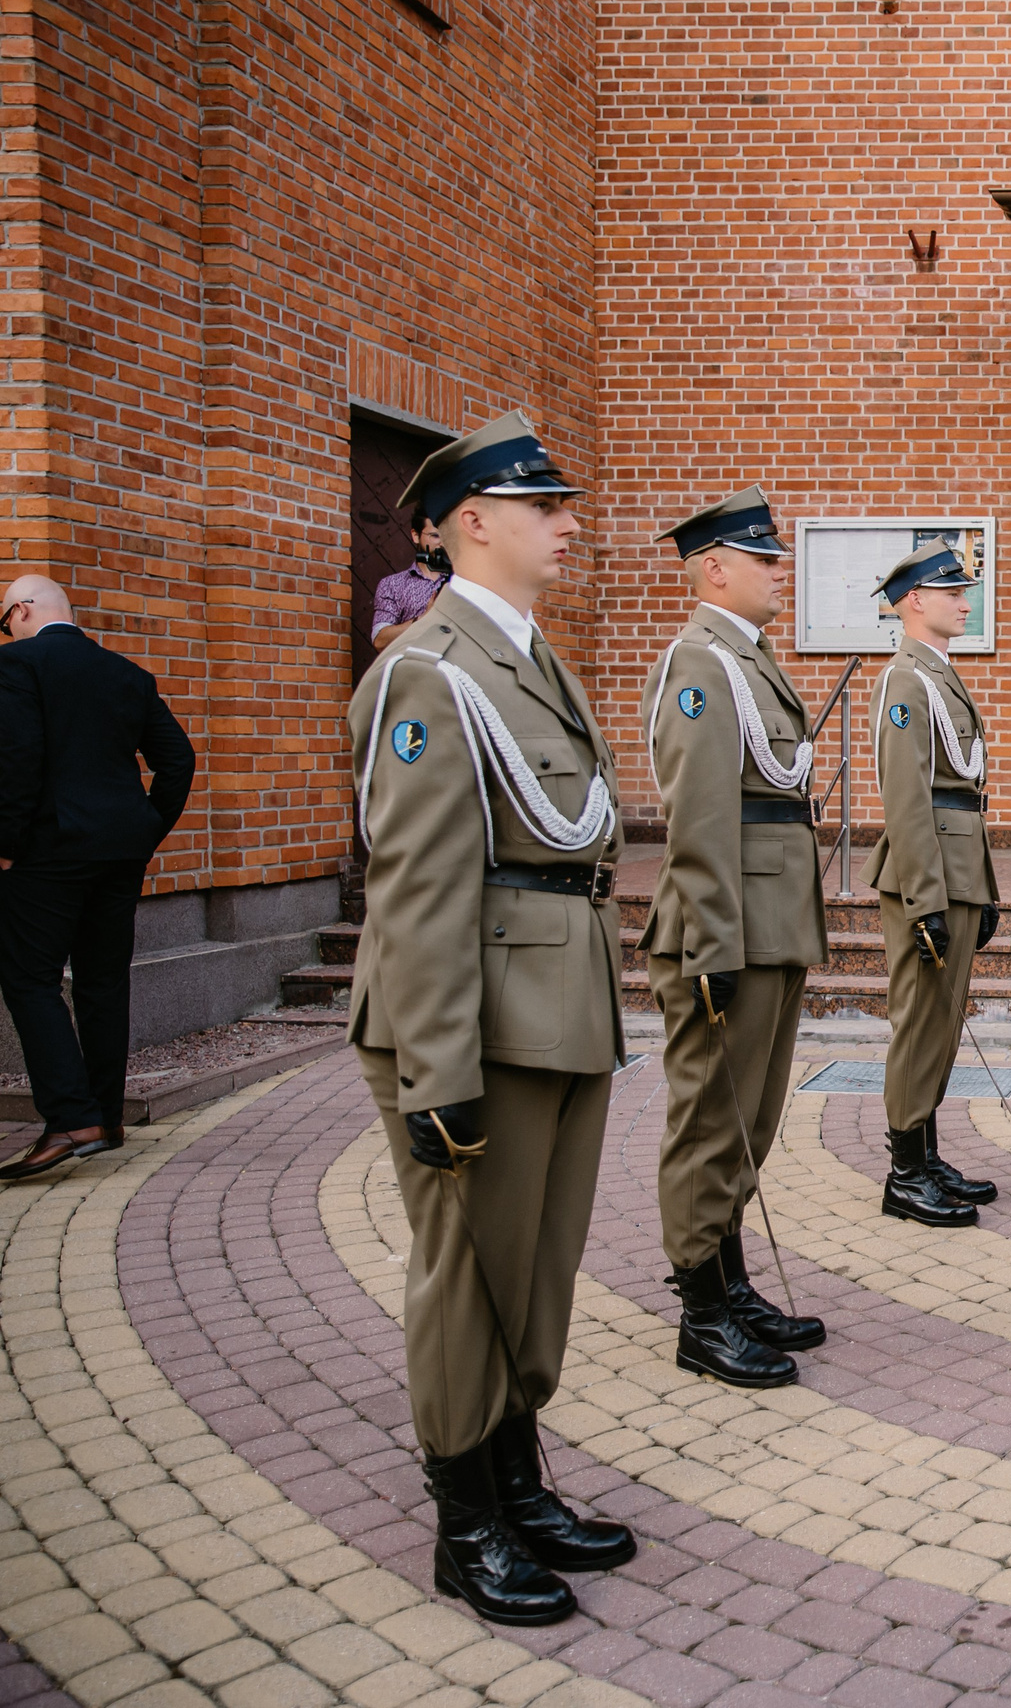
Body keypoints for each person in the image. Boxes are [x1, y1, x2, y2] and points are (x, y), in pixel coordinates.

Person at [345, 410, 636, 1625]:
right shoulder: (427, 670)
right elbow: (417, 888)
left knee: (536, 1265)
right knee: (470, 1274)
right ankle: (465, 1521)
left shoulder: (528, 656)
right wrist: (437, 1069)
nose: (568, 525)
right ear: (473, 520)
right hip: (478, 1021)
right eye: (543, 507)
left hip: (556, 1006)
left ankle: (516, 1479)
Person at [640, 486, 831, 1391]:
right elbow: (701, 818)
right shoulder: (700, 664)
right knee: (712, 1123)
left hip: (771, 922)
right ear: (714, 567)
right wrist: (712, 947)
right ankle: (701, 1313)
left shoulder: (747, 660)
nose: (777, 572)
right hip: (730, 930)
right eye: (763, 558)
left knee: (750, 1122)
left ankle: (729, 1279)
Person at [0, 576, 195, 1180]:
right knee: (103, 980)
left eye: (4, 621)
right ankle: (106, 1117)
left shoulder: (17, 664)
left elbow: (17, 757)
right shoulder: (126, 673)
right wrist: (145, 831)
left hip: (47, 851)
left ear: (22, 610)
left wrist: (5, 845)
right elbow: (178, 759)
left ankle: (70, 1119)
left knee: (29, 977)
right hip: (119, 853)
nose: (6, 632)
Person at [861, 540, 1000, 1227]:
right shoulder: (905, 680)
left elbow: (965, 792)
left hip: (958, 869)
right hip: (930, 875)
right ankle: (904, 1174)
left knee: (942, 1024)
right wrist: (925, 900)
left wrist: (985, 886)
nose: (964, 601)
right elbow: (907, 797)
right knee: (919, 1023)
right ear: (915, 600)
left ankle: (926, 1153)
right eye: (951, 591)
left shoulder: (937, 673)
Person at [372, 506, 454, 653]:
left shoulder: (463, 581)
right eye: (435, 536)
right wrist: (423, 619)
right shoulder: (392, 585)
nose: (442, 543)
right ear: (416, 536)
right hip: (414, 664)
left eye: (446, 535)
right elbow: (380, 641)